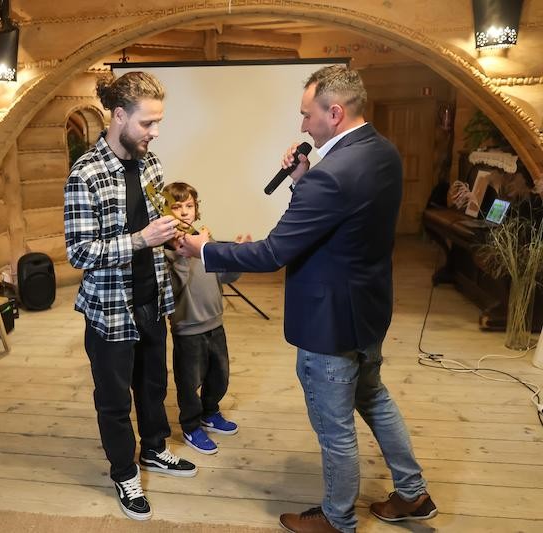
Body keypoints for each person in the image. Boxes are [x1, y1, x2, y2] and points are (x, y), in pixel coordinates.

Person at [177, 65, 436, 533]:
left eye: (306, 114)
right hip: (368, 310)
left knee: (336, 430)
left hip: (329, 323)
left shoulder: (331, 176)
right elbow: (344, 220)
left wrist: (204, 249)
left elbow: (273, 252)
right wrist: (303, 177)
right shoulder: (383, 151)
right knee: (373, 396)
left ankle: (337, 519)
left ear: (334, 113)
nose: (301, 125)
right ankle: (413, 493)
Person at [64, 71, 196, 522]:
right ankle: (124, 472)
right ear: (119, 116)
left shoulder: (151, 163)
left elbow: (155, 223)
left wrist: (174, 234)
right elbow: (80, 252)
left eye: (158, 122)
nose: (155, 132)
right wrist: (141, 239)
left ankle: (154, 449)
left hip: (152, 299)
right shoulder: (85, 174)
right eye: (147, 123)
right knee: (115, 399)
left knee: (154, 385)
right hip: (109, 310)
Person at [162, 181, 246, 455]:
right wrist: (180, 256)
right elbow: (172, 291)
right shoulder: (165, 252)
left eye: (189, 205)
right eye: (177, 207)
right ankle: (190, 425)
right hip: (188, 330)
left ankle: (210, 412)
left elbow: (225, 276)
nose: (185, 212)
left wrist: (236, 258)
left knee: (219, 375)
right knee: (189, 382)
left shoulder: (204, 241)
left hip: (216, 324)